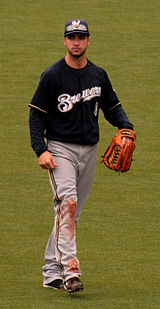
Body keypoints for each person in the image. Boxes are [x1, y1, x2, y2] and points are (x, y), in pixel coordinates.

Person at [29, 19, 134, 293]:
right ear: (64, 41)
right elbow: (36, 116)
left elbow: (112, 106)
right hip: (60, 149)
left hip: (90, 151)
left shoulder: (98, 75)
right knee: (68, 203)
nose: (76, 42)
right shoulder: (52, 75)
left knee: (70, 214)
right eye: (71, 37)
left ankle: (51, 271)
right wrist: (41, 150)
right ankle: (71, 272)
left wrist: (126, 126)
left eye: (81, 37)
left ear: (88, 41)